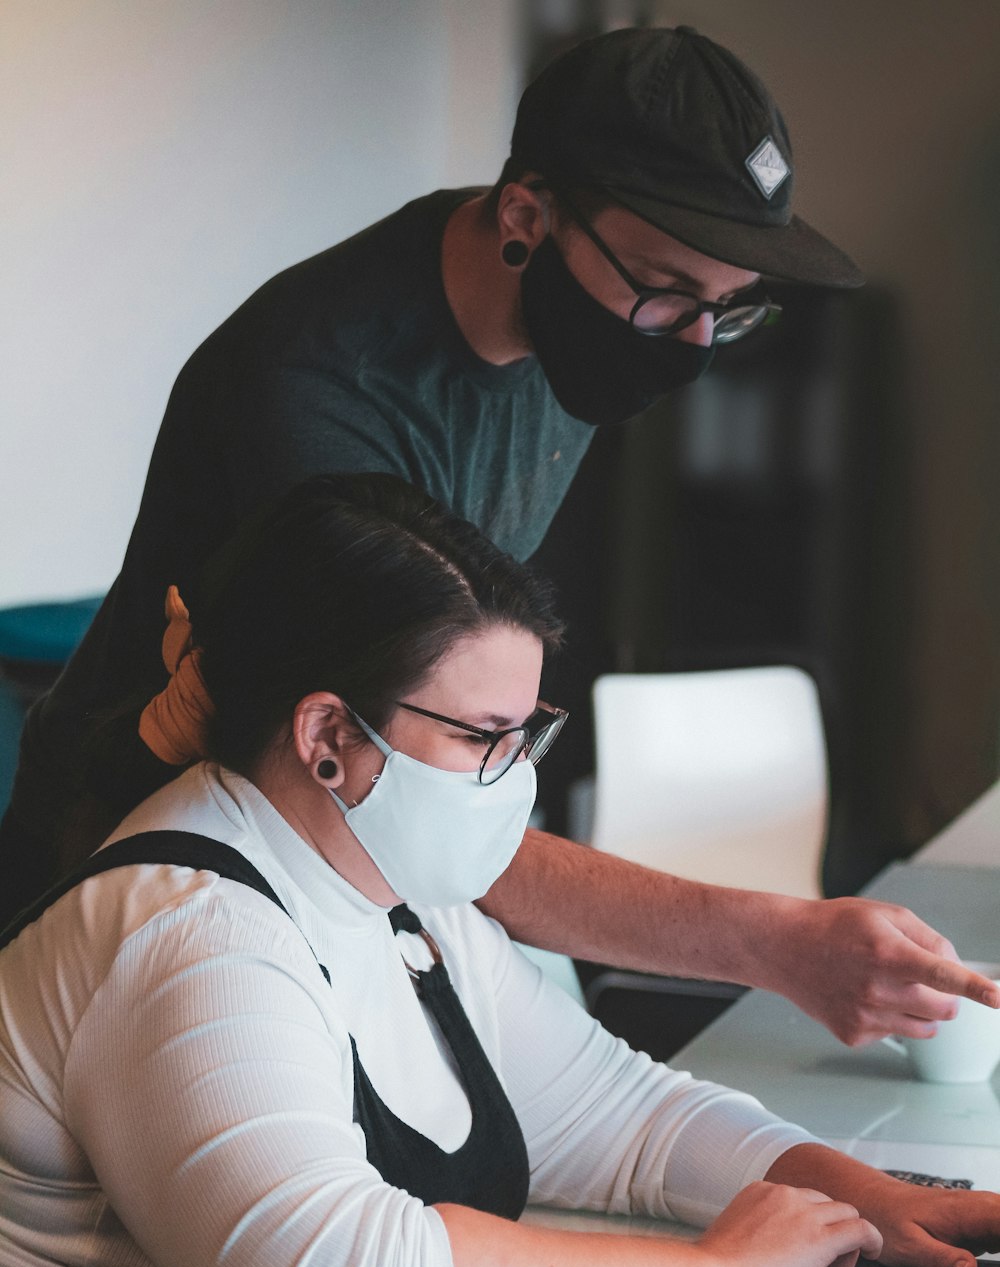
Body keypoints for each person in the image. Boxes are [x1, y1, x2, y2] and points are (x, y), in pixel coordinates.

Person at [1, 26, 995, 1044]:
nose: (691, 346)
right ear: (526, 214)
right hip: (136, 866)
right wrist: (777, 941)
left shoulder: (561, 329)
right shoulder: (318, 400)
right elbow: (418, 815)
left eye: (725, 309)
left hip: (332, 857)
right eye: (664, 290)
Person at [2, 474, 999, 1267]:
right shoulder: (193, 933)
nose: (515, 776)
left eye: (526, 733)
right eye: (482, 738)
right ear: (327, 737)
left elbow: (620, 1120)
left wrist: (860, 1196)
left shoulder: (399, 888)